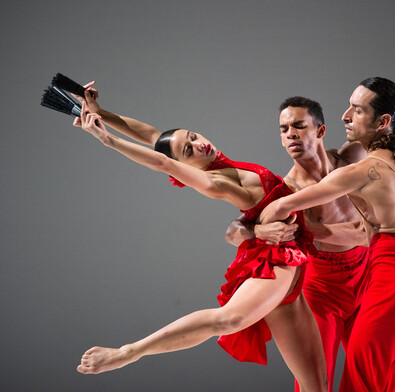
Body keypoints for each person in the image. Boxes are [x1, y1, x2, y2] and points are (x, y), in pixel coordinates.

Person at [70, 85, 328, 391]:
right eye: (188, 151)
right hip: (277, 261)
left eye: (193, 136)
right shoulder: (214, 180)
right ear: (184, 167)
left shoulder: (220, 160)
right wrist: (108, 140)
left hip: (292, 281)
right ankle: (129, 352)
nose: (199, 145)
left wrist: (103, 114)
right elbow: (163, 161)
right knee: (230, 319)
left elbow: (153, 136)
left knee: (317, 387)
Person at [226, 96, 395, 390]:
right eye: (283, 129)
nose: (291, 134)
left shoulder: (352, 158)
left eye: (298, 125)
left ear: (320, 131)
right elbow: (235, 229)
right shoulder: (285, 189)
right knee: (314, 384)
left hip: (367, 279)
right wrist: (257, 233)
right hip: (323, 292)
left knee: (374, 375)